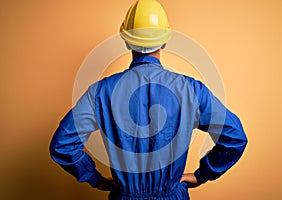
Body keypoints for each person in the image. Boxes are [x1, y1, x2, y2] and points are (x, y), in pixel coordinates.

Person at [49, 0, 248, 199]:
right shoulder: (191, 90)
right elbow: (235, 137)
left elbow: (63, 144)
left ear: (126, 41)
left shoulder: (101, 92)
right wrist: (202, 175)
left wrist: (96, 179)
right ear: (164, 40)